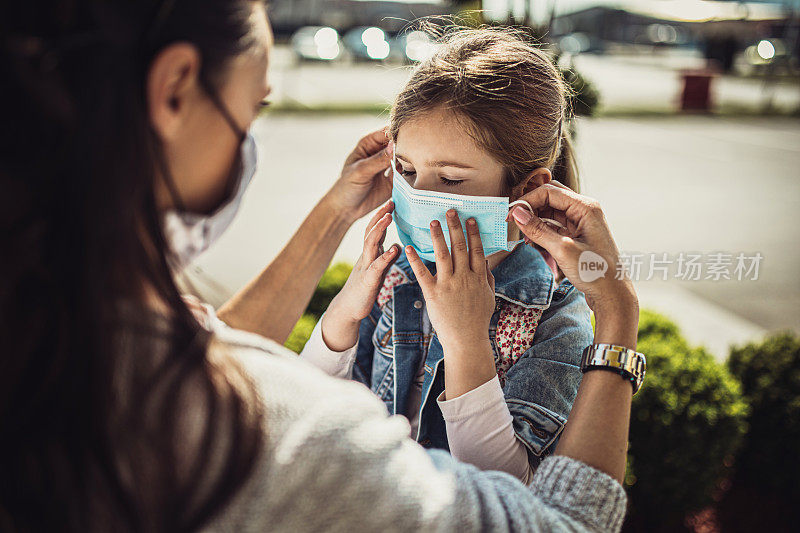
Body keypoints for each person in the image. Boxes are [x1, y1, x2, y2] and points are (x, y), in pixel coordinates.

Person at [0, 1, 642, 532]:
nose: (418, 191)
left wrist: (336, 243)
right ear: (173, 89)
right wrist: (619, 314)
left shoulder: (48, 339)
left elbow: (222, 350)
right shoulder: (268, 434)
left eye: (448, 178)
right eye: (254, 109)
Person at [299, 28, 592, 485]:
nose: (419, 195)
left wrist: (465, 342)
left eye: (452, 180)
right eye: (408, 170)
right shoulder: (396, 278)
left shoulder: (558, 317)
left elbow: (510, 488)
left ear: (529, 188)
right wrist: (343, 317)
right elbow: (311, 413)